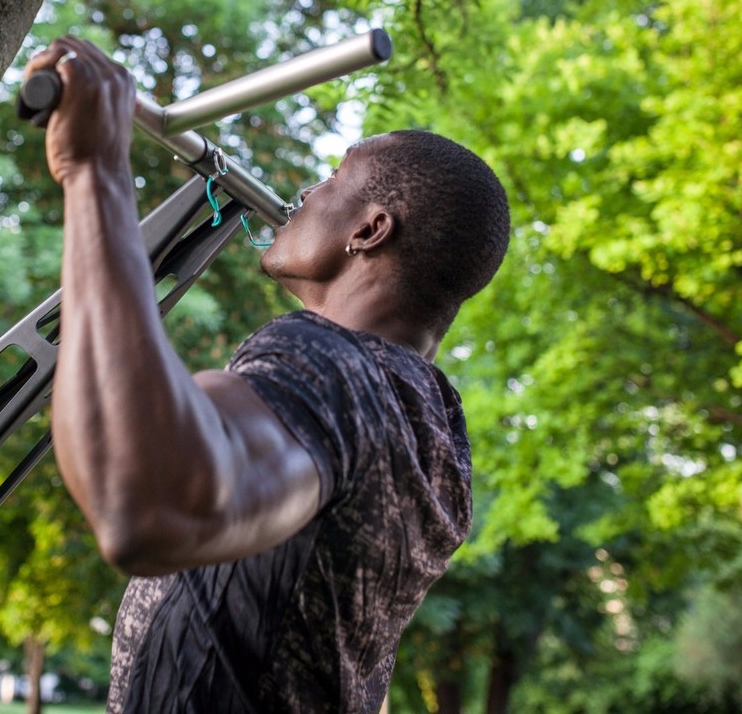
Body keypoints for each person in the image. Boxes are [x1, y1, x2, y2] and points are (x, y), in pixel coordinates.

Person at [25, 36, 511, 714]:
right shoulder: (433, 429)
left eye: (333, 179)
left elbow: (147, 505)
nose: (307, 191)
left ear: (370, 231)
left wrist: (95, 171)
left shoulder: (333, 367)